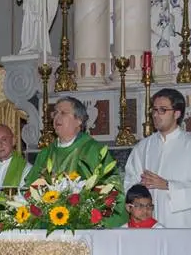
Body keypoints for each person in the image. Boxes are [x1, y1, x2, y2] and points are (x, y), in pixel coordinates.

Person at [27, 96, 126, 227]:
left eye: (63, 113)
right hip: (47, 224)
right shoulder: (45, 154)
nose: (57, 117)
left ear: (79, 120)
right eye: (55, 113)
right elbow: (30, 189)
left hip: (83, 225)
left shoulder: (94, 151)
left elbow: (112, 188)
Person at [124, 88, 191, 229]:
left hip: (180, 224)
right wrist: (138, 192)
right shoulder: (143, 147)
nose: (155, 115)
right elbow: (129, 182)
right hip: (146, 224)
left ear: (177, 113)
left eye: (162, 110)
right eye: (154, 110)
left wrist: (167, 185)